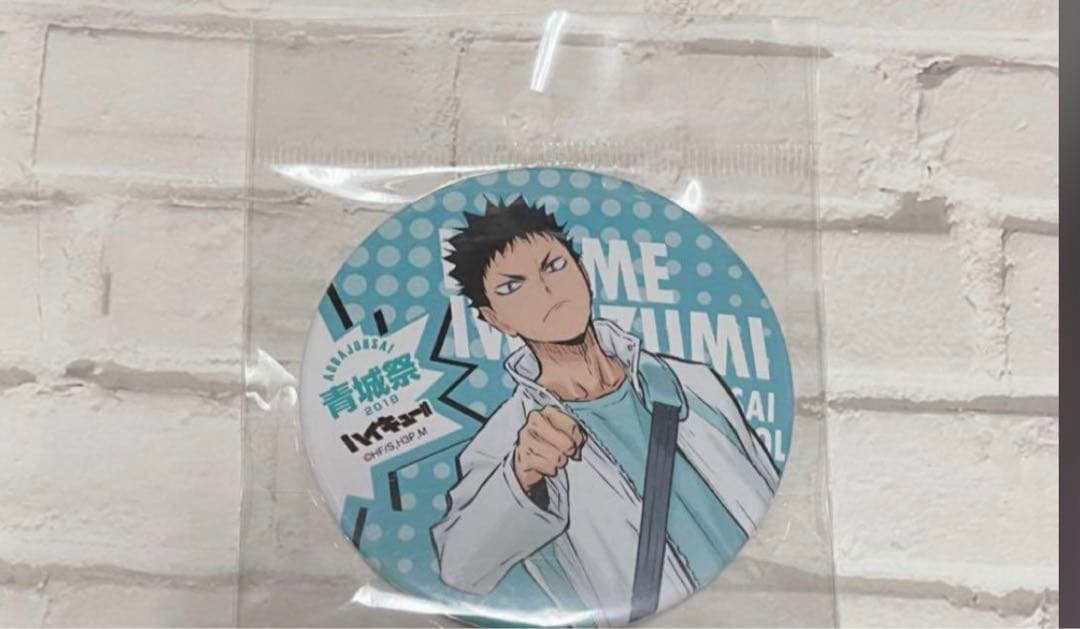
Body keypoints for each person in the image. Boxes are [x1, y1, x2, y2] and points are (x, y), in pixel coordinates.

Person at [430, 196, 780, 625]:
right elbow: (460, 567)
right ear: (495, 318)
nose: (544, 290)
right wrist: (521, 476)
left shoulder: (691, 381)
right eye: (511, 286)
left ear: (582, 270)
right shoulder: (510, 440)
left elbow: (767, 485)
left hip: (766, 599)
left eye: (553, 266)